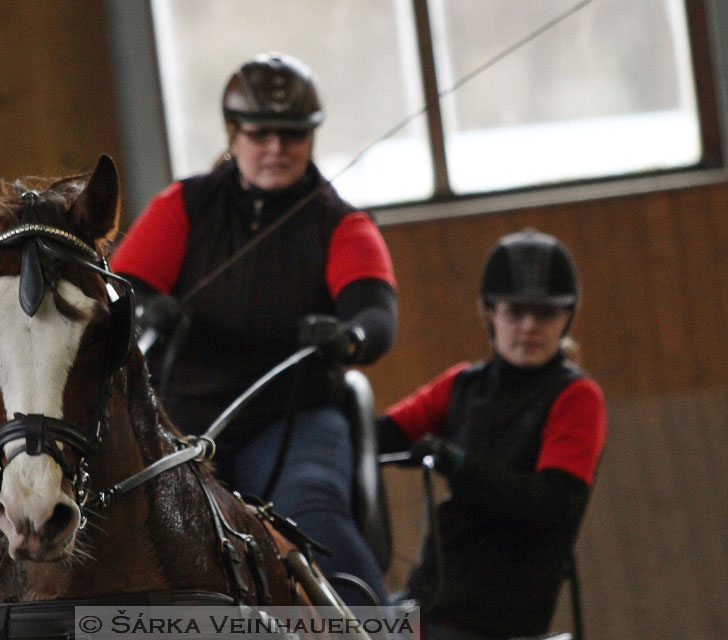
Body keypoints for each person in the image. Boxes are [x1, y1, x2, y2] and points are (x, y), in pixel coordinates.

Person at [111, 52, 397, 605]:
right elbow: (121, 287)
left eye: (292, 135)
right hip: (181, 422)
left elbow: (375, 311)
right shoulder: (183, 206)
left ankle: (370, 623)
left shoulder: (342, 224)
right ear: (233, 134)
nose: (275, 148)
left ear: (311, 139)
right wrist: (146, 308)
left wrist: (351, 338)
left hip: (292, 419)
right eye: (260, 132)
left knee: (310, 508)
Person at [377, 229, 606, 639]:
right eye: (515, 312)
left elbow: (551, 504)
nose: (529, 326)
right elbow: (378, 438)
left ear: (566, 317)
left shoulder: (577, 397)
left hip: (495, 618)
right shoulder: (461, 385)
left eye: (545, 314)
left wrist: (460, 465)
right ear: (490, 313)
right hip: (429, 601)